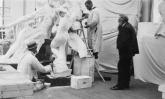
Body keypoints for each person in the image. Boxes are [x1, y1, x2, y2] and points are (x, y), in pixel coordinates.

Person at [111, 14, 139, 90]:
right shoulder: (127, 26)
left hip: (125, 52)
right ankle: (125, 84)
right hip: (128, 52)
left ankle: (120, 85)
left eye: (119, 19)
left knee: (122, 68)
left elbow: (124, 41)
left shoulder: (125, 28)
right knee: (126, 68)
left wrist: (120, 48)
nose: (118, 21)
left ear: (122, 20)